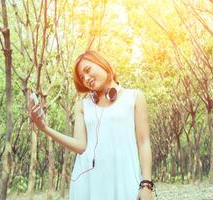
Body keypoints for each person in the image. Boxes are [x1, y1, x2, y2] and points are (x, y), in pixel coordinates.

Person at [28, 50, 154, 200]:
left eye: (88, 70)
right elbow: (80, 146)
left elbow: (144, 142)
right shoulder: (82, 106)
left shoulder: (134, 97)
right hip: (89, 185)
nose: (86, 78)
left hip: (125, 181)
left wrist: (146, 184)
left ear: (102, 63)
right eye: (82, 78)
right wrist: (44, 128)